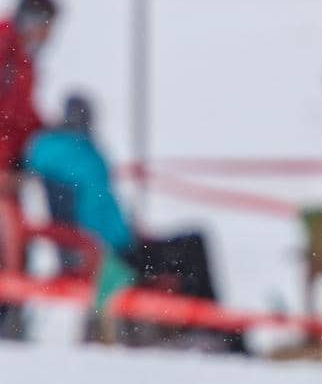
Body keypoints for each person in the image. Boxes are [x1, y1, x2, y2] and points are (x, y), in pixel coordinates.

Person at [26, 92, 238, 346]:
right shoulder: (82, 155)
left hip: (111, 249)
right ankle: (211, 331)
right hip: (114, 255)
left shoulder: (53, 151)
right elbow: (98, 216)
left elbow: (97, 212)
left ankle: (205, 328)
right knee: (193, 247)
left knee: (189, 247)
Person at [0, 0, 59, 334]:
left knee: (18, 250)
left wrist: (53, 135)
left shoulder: (21, 58)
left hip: (12, 174)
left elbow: (21, 116)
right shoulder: (6, 53)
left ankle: (11, 318)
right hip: (5, 174)